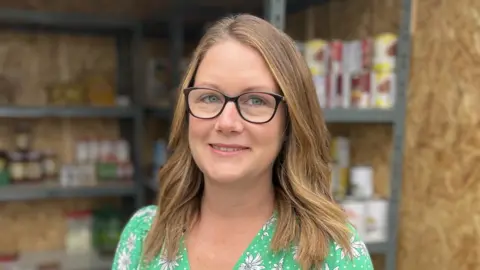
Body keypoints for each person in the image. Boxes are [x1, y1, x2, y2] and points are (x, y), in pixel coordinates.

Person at [112, 14, 374, 270]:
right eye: (210, 97)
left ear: (290, 122)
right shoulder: (143, 235)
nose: (227, 123)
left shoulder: (335, 255)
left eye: (256, 101)